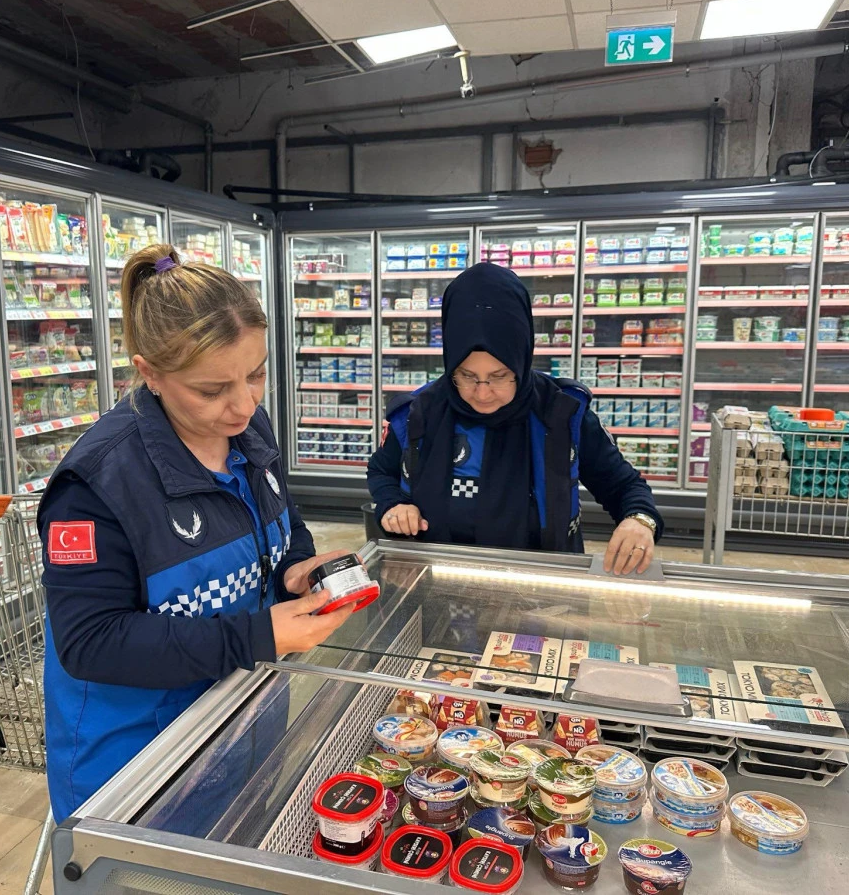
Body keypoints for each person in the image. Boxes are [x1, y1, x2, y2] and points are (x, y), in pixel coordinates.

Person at [39, 244, 351, 823]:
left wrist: (295, 568)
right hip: (139, 770)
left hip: (240, 724)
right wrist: (256, 635)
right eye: (211, 390)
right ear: (150, 374)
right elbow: (89, 641)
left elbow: (283, 523)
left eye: (256, 374)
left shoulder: (248, 429)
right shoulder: (96, 484)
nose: (243, 404)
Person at [367, 262, 662, 573]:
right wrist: (393, 504)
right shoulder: (417, 413)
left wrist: (640, 520)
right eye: (466, 376)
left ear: (522, 360)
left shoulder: (561, 414)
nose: (483, 393)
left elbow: (625, 486)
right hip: (433, 584)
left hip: (542, 590)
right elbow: (382, 470)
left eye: (499, 376)